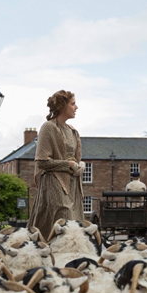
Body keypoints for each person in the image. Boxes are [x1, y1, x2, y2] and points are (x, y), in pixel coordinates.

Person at [27, 90, 85, 239]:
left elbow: (75, 160)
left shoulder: (73, 131)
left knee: (75, 227)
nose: (76, 107)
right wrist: (69, 164)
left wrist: (80, 165)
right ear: (62, 106)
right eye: (73, 104)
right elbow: (42, 161)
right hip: (54, 185)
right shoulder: (48, 127)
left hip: (73, 186)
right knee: (62, 225)